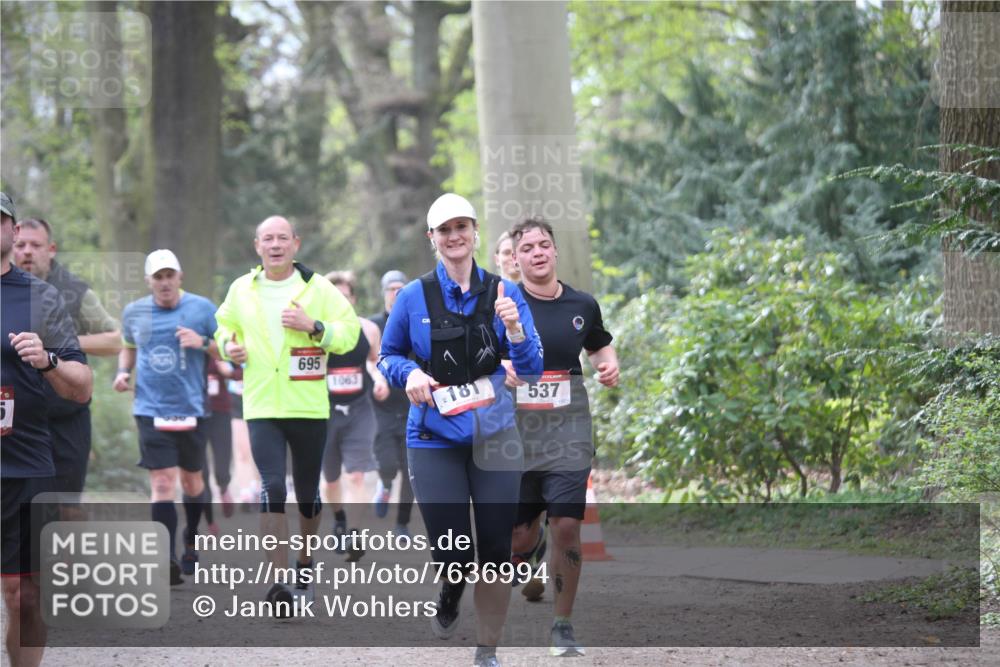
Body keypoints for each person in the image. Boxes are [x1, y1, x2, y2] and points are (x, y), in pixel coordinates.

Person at [379, 193, 543, 667]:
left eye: (462, 227)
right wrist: (409, 374)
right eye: (444, 230)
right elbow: (388, 356)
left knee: (494, 549)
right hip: (433, 438)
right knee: (454, 552)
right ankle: (450, 592)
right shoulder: (413, 296)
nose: (454, 236)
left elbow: (531, 369)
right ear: (432, 238)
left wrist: (515, 330)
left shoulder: (505, 292)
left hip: (495, 436)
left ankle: (487, 649)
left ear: (475, 232)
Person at [214, 216, 360, 613]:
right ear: (257, 246)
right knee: (273, 486)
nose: (275, 245)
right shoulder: (241, 288)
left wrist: (315, 326)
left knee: (308, 494)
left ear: (296, 244)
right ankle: (278, 582)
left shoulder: (318, 288)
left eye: (282, 238)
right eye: (268, 238)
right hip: (261, 403)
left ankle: (305, 564)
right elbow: (222, 327)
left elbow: (349, 333)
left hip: (308, 405)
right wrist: (229, 346)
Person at [507, 216, 619, 657]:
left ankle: (562, 625)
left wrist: (608, 364)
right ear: (515, 259)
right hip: (516, 435)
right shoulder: (504, 305)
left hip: (568, 429)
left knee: (568, 526)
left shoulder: (582, 304)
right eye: (527, 248)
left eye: (543, 245)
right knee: (517, 537)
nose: (537, 252)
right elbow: (482, 359)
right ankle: (530, 545)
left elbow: (599, 343)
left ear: (554, 251)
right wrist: (502, 369)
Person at [2, 191, 93, 667]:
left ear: (13, 231)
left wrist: (48, 360)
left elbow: (82, 386)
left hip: (24, 465)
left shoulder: (41, 297)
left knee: (25, 596)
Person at [113, 249, 218, 584]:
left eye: (170, 275)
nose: (165, 282)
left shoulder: (203, 308)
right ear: (148, 281)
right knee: (161, 482)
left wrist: (202, 341)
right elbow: (128, 346)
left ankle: (191, 537)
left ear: (180, 277)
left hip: (192, 409)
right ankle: (166, 557)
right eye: (158, 277)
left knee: (192, 482)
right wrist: (122, 372)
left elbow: (229, 349)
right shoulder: (134, 312)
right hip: (150, 408)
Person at [13, 217, 121, 498]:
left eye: (35, 245)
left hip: (66, 415)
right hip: (17, 418)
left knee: (68, 506)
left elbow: (115, 340)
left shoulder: (75, 291)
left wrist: (63, 343)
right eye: (21, 245)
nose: (27, 251)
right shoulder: (6, 287)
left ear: (51, 249)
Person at [322, 270, 389, 561]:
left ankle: (354, 532)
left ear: (353, 299)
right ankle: (339, 517)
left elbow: (374, 362)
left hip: (360, 410)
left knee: (357, 475)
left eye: (345, 296)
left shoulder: (368, 329)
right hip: (324, 412)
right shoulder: (317, 332)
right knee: (330, 481)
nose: (341, 301)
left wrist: (380, 380)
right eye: (334, 297)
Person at [369, 269, 415, 537]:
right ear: (383, 293)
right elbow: (364, 361)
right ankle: (385, 484)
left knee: (411, 470)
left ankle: (402, 524)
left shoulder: (416, 322)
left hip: (412, 406)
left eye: (400, 289)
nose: (395, 294)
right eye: (390, 289)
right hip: (382, 409)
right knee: (387, 464)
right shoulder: (374, 325)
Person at [201, 356, 236, 533]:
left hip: (220, 410)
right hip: (195, 412)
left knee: (223, 457)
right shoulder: (185, 349)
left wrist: (227, 370)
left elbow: (239, 371)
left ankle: (224, 488)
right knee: (201, 469)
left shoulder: (220, 346)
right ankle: (209, 519)